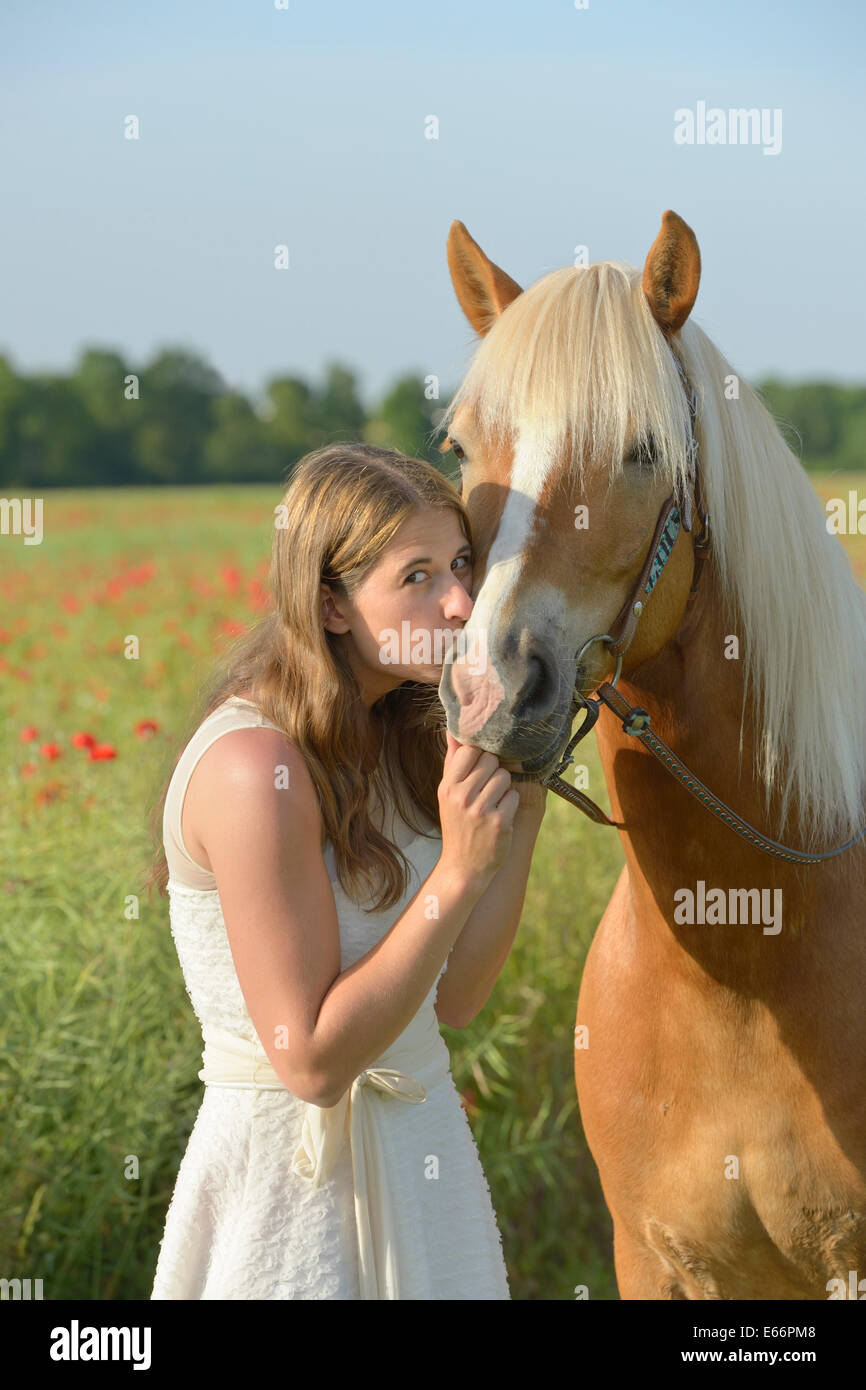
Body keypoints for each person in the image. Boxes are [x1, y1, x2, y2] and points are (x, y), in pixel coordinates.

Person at [144, 442, 548, 1299]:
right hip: (293, 1195)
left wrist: (525, 807)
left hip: (423, 1161)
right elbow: (315, 1063)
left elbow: (455, 999)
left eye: (464, 564)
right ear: (331, 605)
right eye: (418, 577)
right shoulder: (255, 769)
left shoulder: (403, 735)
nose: (461, 601)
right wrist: (455, 876)